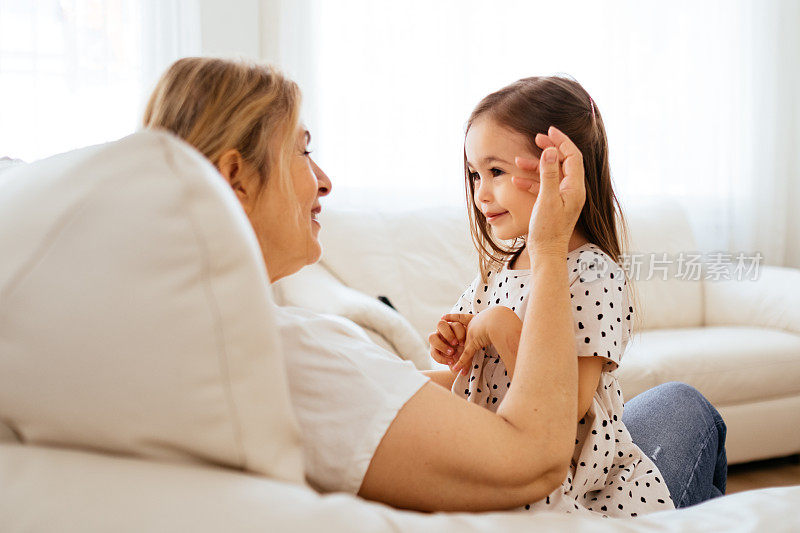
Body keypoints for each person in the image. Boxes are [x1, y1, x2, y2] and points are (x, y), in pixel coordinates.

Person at [142, 57, 727, 513]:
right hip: (554, 496)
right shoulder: (293, 354)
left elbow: (545, 398)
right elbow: (539, 445)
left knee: (676, 405)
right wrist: (491, 321)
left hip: (593, 479)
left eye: (496, 172)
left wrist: (461, 349)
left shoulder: (587, 272)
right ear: (234, 177)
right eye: (303, 151)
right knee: (687, 408)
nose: (324, 180)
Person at [428, 76, 670, 517]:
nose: (481, 193)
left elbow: (566, 410)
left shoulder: (592, 272)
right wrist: (435, 357)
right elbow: (471, 381)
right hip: (510, 481)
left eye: (496, 171)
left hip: (597, 501)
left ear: (558, 171)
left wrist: (497, 325)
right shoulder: (501, 270)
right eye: (475, 174)